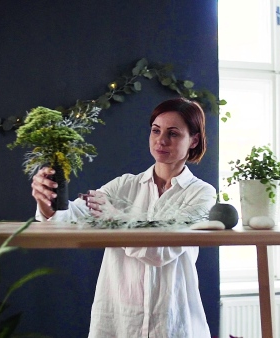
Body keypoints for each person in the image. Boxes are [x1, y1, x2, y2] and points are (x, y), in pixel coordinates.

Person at [31, 97, 216, 338]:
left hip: (173, 323)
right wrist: (46, 201)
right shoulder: (124, 186)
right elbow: (72, 217)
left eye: (173, 134)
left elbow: (160, 251)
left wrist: (114, 218)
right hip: (119, 321)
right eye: (155, 130)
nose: (161, 140)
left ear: (194, 140)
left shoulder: (202, 193)